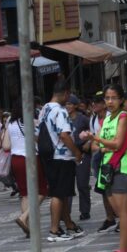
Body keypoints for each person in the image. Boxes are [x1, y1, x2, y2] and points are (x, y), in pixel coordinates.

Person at [85, 84, 127, 252]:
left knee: (122, 211)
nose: (109, 102)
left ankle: (123, 250)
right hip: (107, 168)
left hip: (120, 167)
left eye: (113, 98)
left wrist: (97, 139)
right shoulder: (106, 120)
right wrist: (98, 142)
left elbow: (116, 144)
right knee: (119, 210)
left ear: (121, 99)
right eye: (107, 98)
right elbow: (96, 147)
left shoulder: (123, 117)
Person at [39, 82, 85, 241]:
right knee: (58, 194)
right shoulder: (60, 111)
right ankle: (54, 230)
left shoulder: (44, 109)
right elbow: (64, 135)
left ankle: (68, 224)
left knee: (63, 192)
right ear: (66, 93)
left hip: (49, 155)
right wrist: (77, 152)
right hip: (61, 155)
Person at [6, 100, 46, 238]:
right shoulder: (33, 122)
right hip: (31, 158)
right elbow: (39, 140)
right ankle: (24, 217)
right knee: (42, 190)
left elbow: (5, 146)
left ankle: (28, 227)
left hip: (16, 159)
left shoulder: (9, 123)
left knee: (25, 194)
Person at [67, 95, 92, 221]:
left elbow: (92, 131)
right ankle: (67, 212)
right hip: (68, 155)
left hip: (82, 154)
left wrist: (88, 142)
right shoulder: (63, 119)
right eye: (66, 104)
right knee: (68, 186)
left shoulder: (83, 119)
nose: (68, 107)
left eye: (70, 104)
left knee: (82, 184)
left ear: (75, 105)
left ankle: (85, 211)